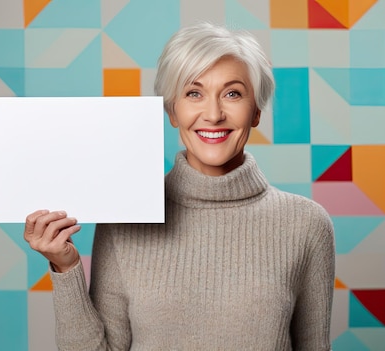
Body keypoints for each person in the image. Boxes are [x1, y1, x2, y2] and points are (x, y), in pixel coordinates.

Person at [24, 22, 335, 350]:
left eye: (232, 93)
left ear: (255, 111)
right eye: (193, 93)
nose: (213, 114)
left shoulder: (308, 225)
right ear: (172, 110)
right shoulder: (124, 219)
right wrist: (66, 266)